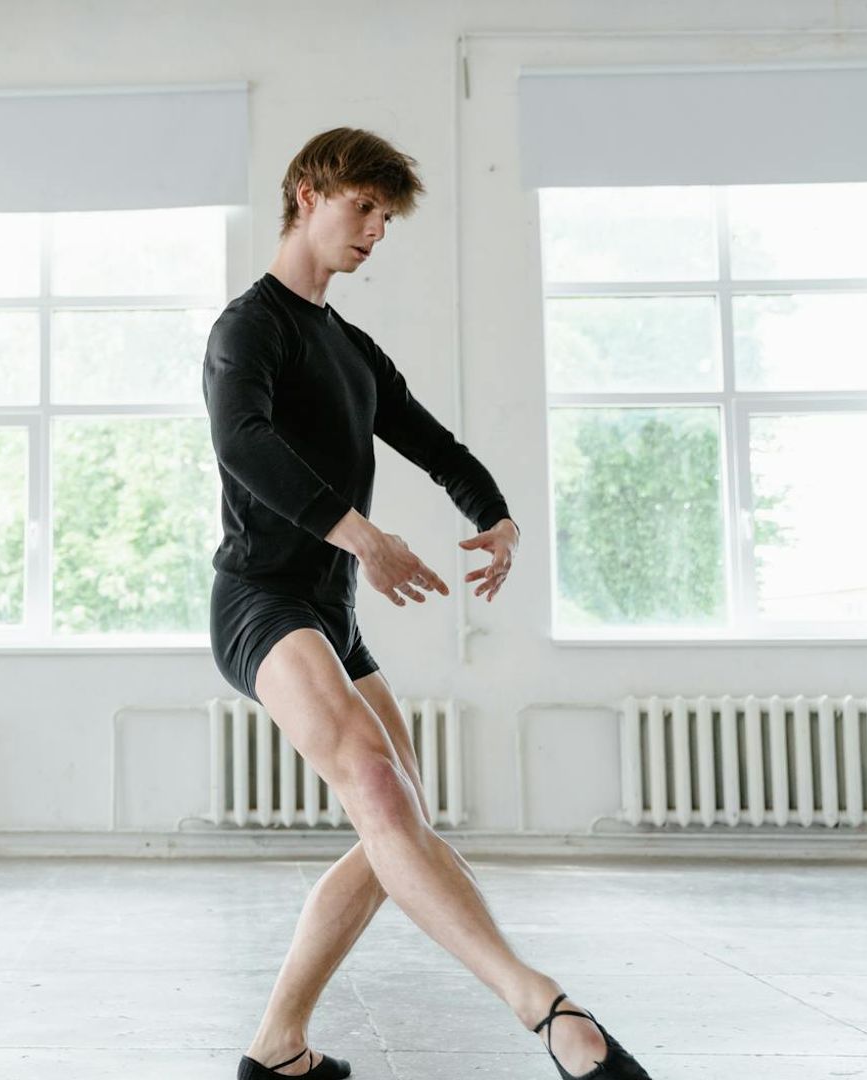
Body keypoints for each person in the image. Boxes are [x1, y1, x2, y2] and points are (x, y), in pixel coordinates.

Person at [204, 127, 653, 1080]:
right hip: (260, 600)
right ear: (305, 194)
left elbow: (435, 444)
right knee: (377, 790)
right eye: (360, 207)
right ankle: (550, 1011)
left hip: (331, 615)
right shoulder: (250, 328)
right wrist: (362, 534)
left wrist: (495, 516)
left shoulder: (351, 346)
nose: (374, 230)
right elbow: (242, 442)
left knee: (397, 816)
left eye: (385, 217)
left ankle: (277, 1049)